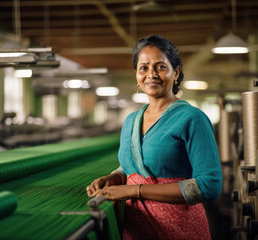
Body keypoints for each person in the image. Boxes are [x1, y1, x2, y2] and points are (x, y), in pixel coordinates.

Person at [87, 35, 222, 240]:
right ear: (136, 75)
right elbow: (134, 166)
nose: (151, 74)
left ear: (175, 72)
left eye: (160, 67)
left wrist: (133, 191)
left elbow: (209, 186)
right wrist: (115, 178)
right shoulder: (131, 121)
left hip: (179, 228)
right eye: (144, 68)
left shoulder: (193, 118)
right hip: (137, 227)